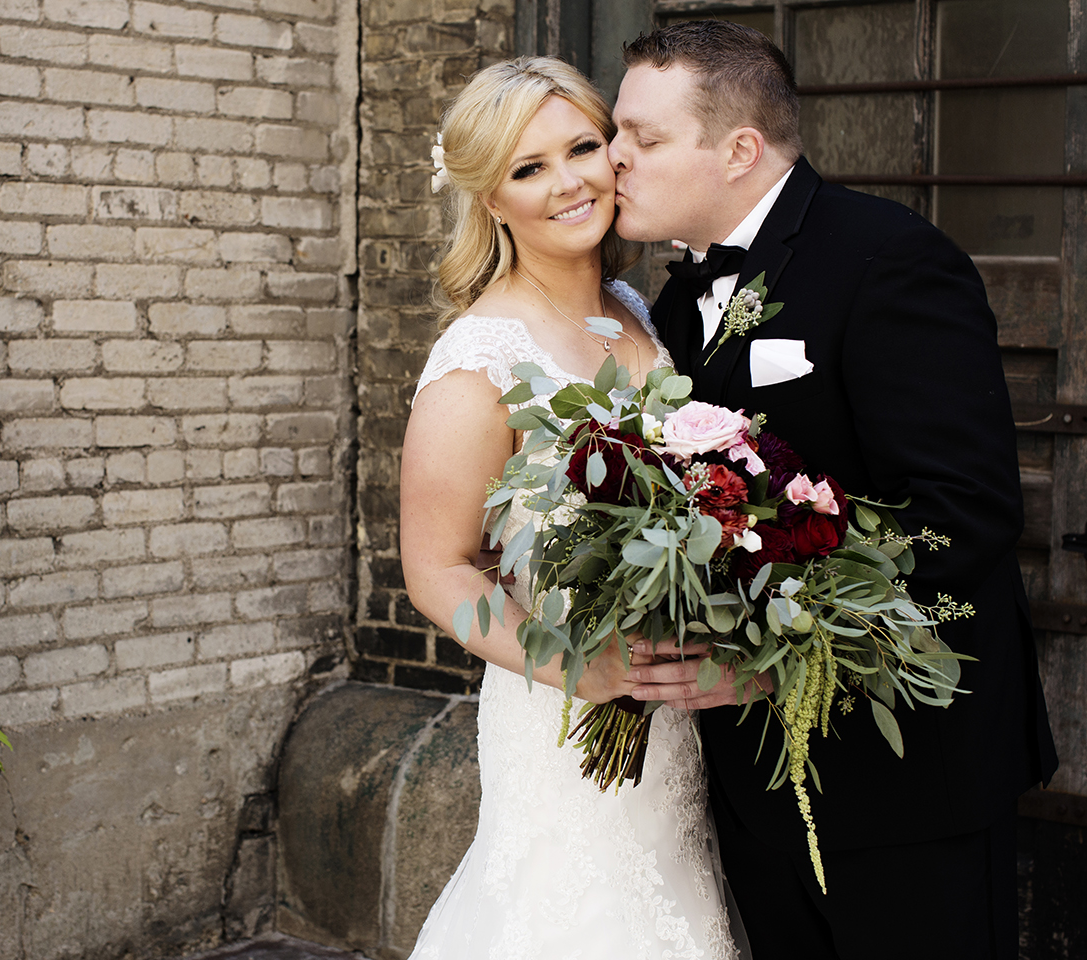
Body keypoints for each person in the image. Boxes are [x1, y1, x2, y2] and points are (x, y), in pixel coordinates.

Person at [607, 20, 1058, 960]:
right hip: (751, 775)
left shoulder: (890, 258)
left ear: (738, 149)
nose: (612, 161)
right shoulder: (674, 300)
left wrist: (776, 662)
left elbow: (961, 513)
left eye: (642, 139)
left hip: (904, 775)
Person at [401, 57, 741, 959]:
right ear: (491, 199)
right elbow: (435, 570)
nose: (569, 183)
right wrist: (570, 666)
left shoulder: (633, 310)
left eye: (582, 147)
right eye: (528, 168)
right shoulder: (479, 359)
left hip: (671, 718)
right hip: (561, 712)